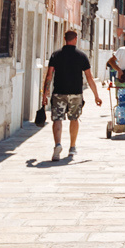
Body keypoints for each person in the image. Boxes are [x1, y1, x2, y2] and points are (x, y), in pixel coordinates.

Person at [39, 28, 102, 158]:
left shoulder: (56, 55)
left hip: (59, 92)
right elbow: (89, 77)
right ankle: (72, 147)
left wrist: (45, 94)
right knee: (74, 118)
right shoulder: (81, 56)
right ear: (76, 39)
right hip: (76, 93)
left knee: (57, 119)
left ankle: (57, 144)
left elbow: (49, 75)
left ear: (64, 39)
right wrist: (96, 96)